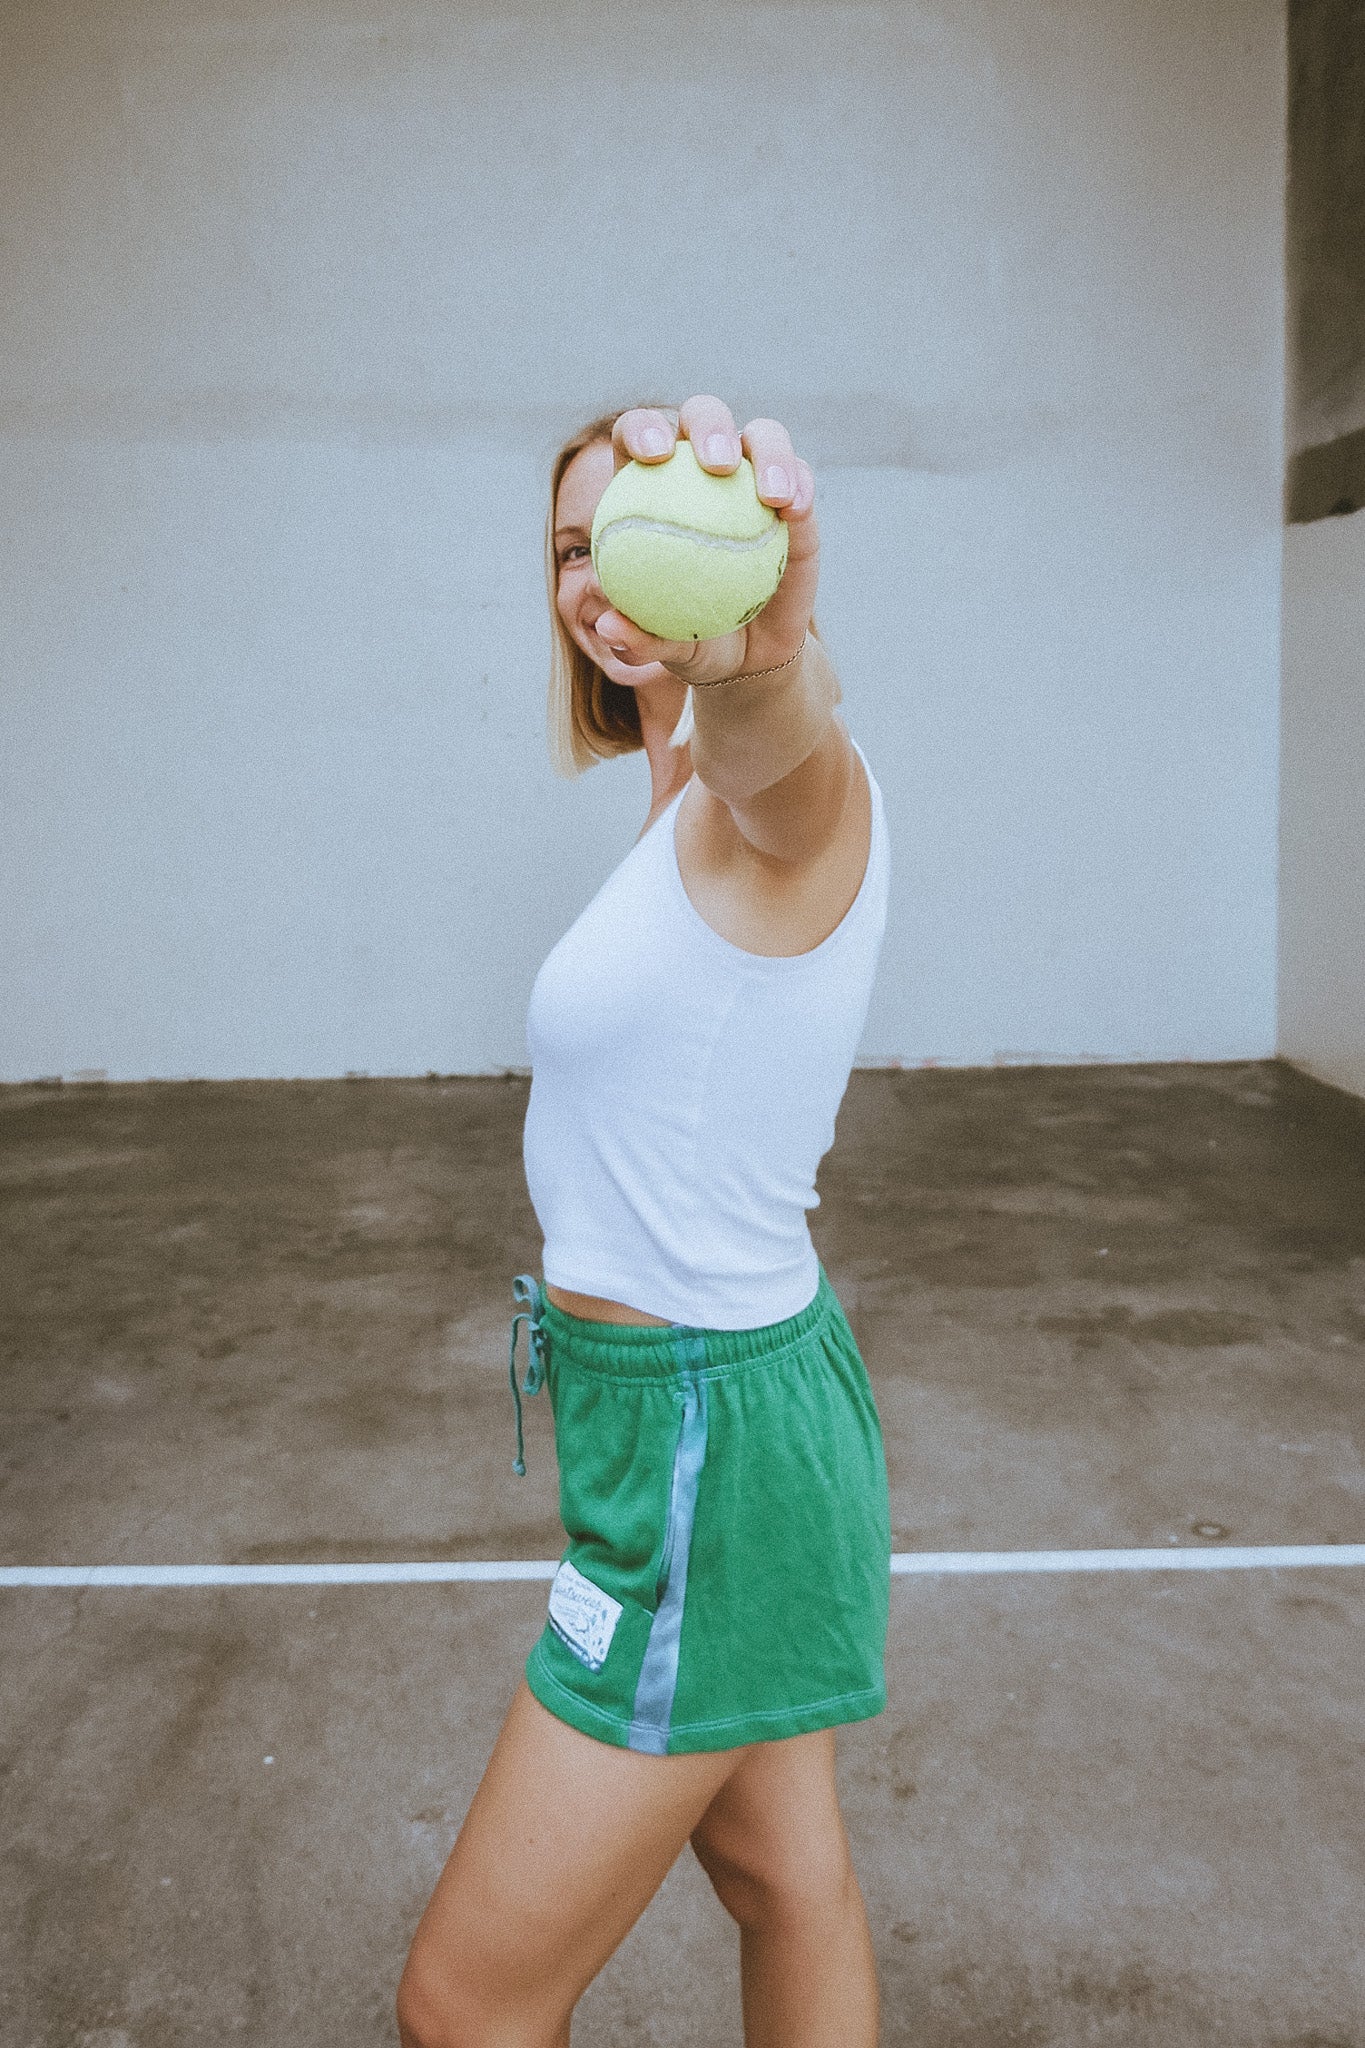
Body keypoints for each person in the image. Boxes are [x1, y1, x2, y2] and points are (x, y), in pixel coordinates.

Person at [397, 395, 892, 2048]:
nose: (593, 580)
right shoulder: (674, 799)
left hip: (703, 1449)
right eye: (564, 547)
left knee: (463, 2008)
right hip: (709, 1415)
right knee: (784, 1883)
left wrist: (759, 663)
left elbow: (777, 743)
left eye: (621, 534)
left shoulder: (788, 802)